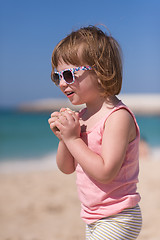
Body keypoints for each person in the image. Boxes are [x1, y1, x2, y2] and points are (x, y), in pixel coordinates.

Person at [48, 25, 142, 239]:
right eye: (57, 76)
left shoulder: (117, 117)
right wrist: (64, 138)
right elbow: (66, 168)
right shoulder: (82, 117)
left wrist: (73, 139)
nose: (62, 83)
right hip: (93, 217)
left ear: (101, 72)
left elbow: (105, 172)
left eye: (69, 74)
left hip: (118, 216)